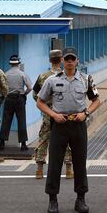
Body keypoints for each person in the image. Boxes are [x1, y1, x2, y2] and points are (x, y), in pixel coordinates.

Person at [37, 47, 101, 213]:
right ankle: (52, 200)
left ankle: (81, 198)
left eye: (73, 58)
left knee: (80, 162)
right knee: (55, 163)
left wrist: (86, 113)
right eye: (67, 59)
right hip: (59, 124)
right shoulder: (52, 80)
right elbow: (40, 102)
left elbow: (96, 101)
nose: (70, 61)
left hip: (78, 124)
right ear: (63, 61)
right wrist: (53, 115)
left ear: (77, 60)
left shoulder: (86, 79)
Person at [32, 49, 73, 180]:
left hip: (48, 113)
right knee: (67, 140)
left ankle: (39, 169)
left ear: (50, 60)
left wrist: (45, 106)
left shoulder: (43, 76)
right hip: (63, 112)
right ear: (61, 60)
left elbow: (35, 95)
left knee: (43, 139)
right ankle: (68, 169)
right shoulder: (65, 75)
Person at [1, 54, 32, 152]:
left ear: (10, 64)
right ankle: (23, 145)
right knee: (21, 120)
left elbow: (2, 88)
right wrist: (24, 94)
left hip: (9, 98)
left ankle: (2, 144)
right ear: (18, 63)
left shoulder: (5, 74)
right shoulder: (22, 74)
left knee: (6, 120)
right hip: (19, 98)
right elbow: (30, 87)